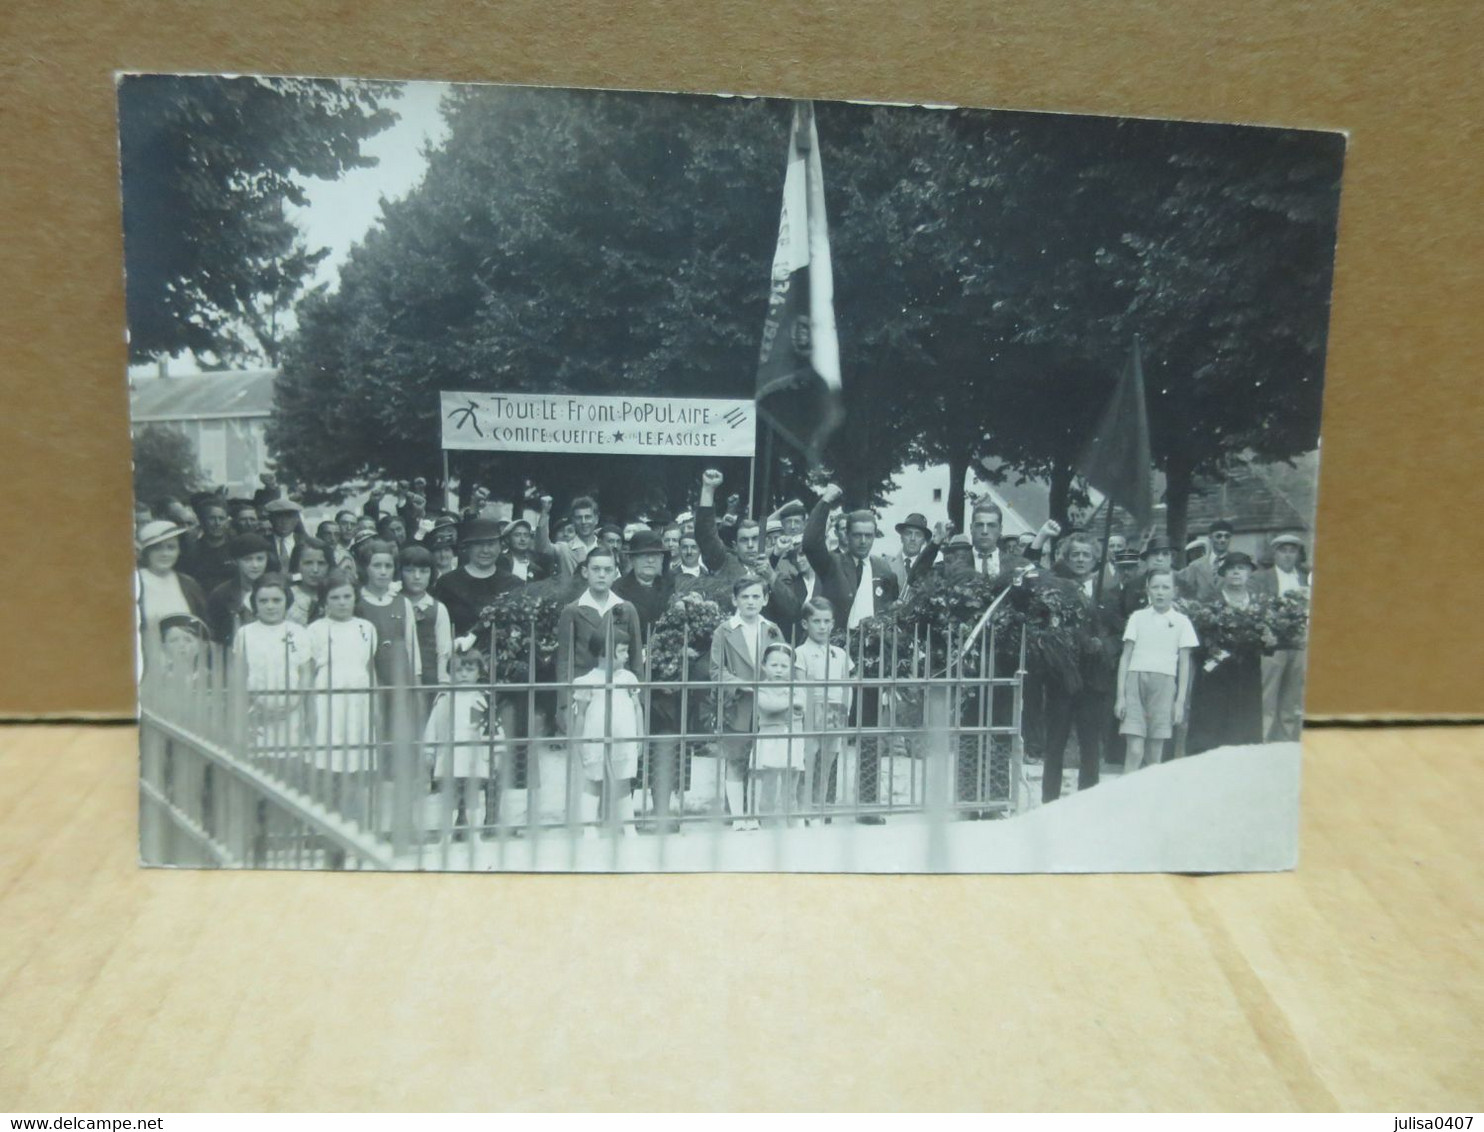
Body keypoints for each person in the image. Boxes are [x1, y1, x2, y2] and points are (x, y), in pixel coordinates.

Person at [710, 575, 783, 831]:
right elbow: (716, 671)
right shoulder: (725, 630)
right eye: (744, 597)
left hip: (767, 707)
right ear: (734, 600)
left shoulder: (771, 629)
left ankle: (755, 813)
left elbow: (782, 664)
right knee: (736, 759)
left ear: (764, 600)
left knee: (761, 761)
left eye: (756, 596)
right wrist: (744, 684)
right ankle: (737, 816)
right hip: (738, 704)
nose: (750, 602)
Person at [305, 572, 378, 815]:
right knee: (330, 758)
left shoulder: (365, 628)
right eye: (335, 597)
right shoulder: (315, 630)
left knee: (357, 759)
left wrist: (374, 705)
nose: (342, 602)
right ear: (324, 601)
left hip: (358, 697)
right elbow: (309, 671)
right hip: (328, 699)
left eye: (347, 596)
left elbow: (369, 667)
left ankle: (354, 815)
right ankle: (329, 815)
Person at [1187, 551, 1269, 755]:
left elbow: (1267, 641)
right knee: (1211, 725)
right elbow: (1197, 640)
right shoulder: (1210, 601)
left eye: (1241, 568)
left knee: (1243, 727)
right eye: (1231, 569)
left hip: (1247, 675)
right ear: (1223, 573)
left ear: (1249, 572)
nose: (1236, 573)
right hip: (1215, 674)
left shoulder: (1259, 604)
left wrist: (1268, 640)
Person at [1116, 568, 1198, 772]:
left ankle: (1150, 800)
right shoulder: (1137, 617)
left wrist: (1179, 702)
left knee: (1154, 754)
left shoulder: (1182, 622)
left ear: (1174, 591)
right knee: (1135, 750)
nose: (1160, 592)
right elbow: (1125, 657)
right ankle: (1125, 798)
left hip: (1164, 687)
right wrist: (1121, 696)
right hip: (1135, 683)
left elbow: (1184, 664)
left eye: (1165, 587)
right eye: (1155, 587)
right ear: (1147, 590)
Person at [555, 546, 643, 723]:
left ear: (615, 573)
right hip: (584, 692)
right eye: (596, 569)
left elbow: (635, 658)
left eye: (608, 570)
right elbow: (564, 660)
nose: (602, 574)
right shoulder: (573, 611)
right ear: (585, 572)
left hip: (618, 690)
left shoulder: (626, 608)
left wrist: (638, 700)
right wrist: (565, 703)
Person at [571, 628, 643, 837]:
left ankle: (629, 826)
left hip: (624, 739)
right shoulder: (587, 681)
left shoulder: (628, 678)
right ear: (604, 651)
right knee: (593, 781)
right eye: (622, 651)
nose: (627, 656)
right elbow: (581, 714)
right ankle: (589, 828)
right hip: (596, 739)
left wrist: (640, 736)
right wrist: (578, 741)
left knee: (623, 782)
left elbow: (637, 707)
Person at [233, 573, 313, 759]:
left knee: (289, 761)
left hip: (291, 712)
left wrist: (294, 703)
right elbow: (239, 674)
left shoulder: (299, 633)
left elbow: (305, 674)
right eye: (264, 601)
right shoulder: (245, 634)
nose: (270, 606)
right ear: (255, 603)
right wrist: (254, 706)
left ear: (287, 600)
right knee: (259, 762)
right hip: (257, 713)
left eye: (277, 600)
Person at [423, 644, 498, 840]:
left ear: (479, 672)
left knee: (474, 796)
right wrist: (429, 751)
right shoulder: (445, 699)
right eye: (458, 670)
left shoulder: (482, 699)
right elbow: (433, 726)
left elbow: (492, 728)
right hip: (450, 756)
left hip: (474, 756)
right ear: (450, 673)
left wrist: (496, 751)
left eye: (470, 669)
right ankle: (447, 833)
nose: (464, 674)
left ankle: (474, 833)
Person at [355, 540, 422, 741]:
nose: (383, 572)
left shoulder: (403, 603)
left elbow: (412, 646)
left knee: (399, 734)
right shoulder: (358, 602)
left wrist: (416, 684)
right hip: (370, 680)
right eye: (377, 566)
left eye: (388, 566)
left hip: (400, 679)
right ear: (366, 568)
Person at [792, 597, 854, 813]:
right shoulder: (800, 653)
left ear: (833, 623)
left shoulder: (840, 653)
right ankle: (802, 809)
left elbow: (847, 686)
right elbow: (800, 686)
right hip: (811, 713)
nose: (822, 626)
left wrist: (845, 712)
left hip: (835, 713)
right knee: (806, 765)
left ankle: (819, 809)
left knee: (826, 766)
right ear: (805, 624)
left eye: (827, 621)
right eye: (816, 621)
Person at [1253, 533, 1310, 741]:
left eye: (1292, 551)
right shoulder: (1261, 578)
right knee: (1267, 695)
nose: (1287, 556)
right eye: (1282, 551)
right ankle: (1264, 739)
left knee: (1291, 696)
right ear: (1275, 553)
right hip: (1273, 644)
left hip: (1298, 643)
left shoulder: (1304, 577)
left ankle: (1285, 741)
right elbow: (1256, 608)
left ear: (1297, 554)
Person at [431, 518, 520, 637]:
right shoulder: (447, 583)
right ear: (468, 547)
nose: (485, 550)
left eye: (491, 544)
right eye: (479, 544)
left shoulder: (513, 584)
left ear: (500, 547)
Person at [136, 520, 209, 657]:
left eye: (171, 547)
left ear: (179, 551)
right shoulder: (134, 584)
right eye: (157, 548)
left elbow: (203, 629)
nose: (165, 554)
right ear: (146, 552)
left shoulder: (188, 584)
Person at [752, 642, 805, 825]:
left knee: (791, 784)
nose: (779, 670)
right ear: (764, 666)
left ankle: (792, 820)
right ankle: (767, 820)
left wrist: (789, 704)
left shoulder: (797, 686)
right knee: (769, 783)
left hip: (792, 739)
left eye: (784, 666)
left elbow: (802, 706)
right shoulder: (761, 686)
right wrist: (790, 703)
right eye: (774, 665)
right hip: (770, 740)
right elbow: (767, 706)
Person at [206, 533, 271, 645]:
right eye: (247, 560)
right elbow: (213, 636)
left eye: (260, 559)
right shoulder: (221, 595)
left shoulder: (276, 590)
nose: (255, 565)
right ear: (235, 561)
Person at [180, 497, 236, 592]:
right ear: (201, 521)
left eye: (221, 519)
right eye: (212, 518)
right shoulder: (190, 553)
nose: (217, 523)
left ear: (227, 522)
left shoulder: (237, 549)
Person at [1178, 520, 1234, 602]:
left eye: (1227, 536)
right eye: (1218, 536)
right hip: (1202, 612)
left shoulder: (1237, 564)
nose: (1223, 540)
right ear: (1210, 537)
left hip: (1233, 612)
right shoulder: (1195, 566)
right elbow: (1182, 587)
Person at [886, 512, 938, 593]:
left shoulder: (931, 570)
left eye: (918, 534)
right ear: (901, 537)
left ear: (924, 541)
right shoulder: (886, 565)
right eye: (908, 533)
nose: (913, 538)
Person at [286, 536, 332, 626]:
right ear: (297, 566)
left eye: (321, 563)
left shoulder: (334, 595)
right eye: (308, 563)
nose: (315, 570)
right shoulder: (287, 596)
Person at [497, 517, 555, 583]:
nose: (522, 539)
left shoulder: (536, 568)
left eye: (526, 535)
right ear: (508, 539)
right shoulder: (500, 562)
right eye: (517, 535)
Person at [264, 498, 304, 572]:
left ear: (297, 520)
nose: (284, 522)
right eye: (279, 517)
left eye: (289, 517)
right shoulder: (262, 543)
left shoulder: (305, 542)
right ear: (271, 519)